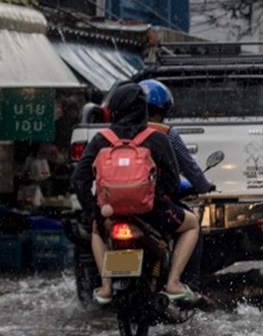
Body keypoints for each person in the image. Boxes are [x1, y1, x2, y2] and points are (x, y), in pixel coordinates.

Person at [70, 83, 202, 304]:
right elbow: (172, 183)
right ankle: (173, 282)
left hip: (111, 212)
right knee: (192, 225)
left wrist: (96, 212)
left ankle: (105, 287)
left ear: (114, 109)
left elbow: (79, 179)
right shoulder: (157, 138)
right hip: (152, 213)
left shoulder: (101, 139)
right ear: (142, 110)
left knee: (96, 231)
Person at [139, 79, 216, 195]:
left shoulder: (116, 133)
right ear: (161, 111)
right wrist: (204, 185)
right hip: (157, 200)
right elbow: (188, 167)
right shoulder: (166, 133)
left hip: (118, 200)